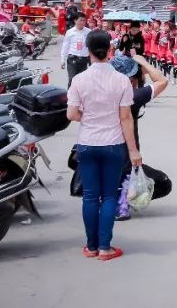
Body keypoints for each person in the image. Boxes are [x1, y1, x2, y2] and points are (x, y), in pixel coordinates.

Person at [65, 30, 142, 261]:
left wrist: (88, 116)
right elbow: (126, 118)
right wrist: (133, 150)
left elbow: (71, 114)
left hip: (87, 143)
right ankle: (105, 248)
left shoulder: (79, 80)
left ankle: (91, 246)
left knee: (90, 197)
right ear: (110, 50)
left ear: (88, 51)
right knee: (109, 196)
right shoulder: (121, 80)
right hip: (114, 145)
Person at [109, 51, 168, 221]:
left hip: (97, 149)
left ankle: (105, 200)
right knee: (163, 183)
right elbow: (162, 81)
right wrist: (144, 63)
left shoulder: (102, 91)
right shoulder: (131, 96)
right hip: (124, 157)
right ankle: (120, 205)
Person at [61, 13, 92, 85]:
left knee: (82, 82)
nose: (82, 22)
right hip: (72, 59)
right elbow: (65, 46)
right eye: (80, 20)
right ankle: (70, 96)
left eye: (84, 20)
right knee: (72, 80)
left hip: (83, 60)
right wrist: (62, 60)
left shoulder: (88, 32)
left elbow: (90, 46)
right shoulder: (70, 32)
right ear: (75, 21)